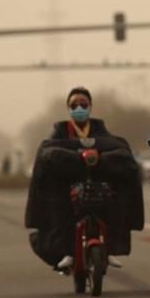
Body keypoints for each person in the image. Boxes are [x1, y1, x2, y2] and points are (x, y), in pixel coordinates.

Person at [49, 87, 123, 269]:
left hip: (97, 180)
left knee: (115, 203)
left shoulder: (99, 127)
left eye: (83, 104)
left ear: (90, 107)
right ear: (68, 108)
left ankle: (109, 250)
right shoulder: (60, 129)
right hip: (69, 181)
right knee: (61, 207)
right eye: (74, 105)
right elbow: (49, 150)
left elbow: (112, 145)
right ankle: (68, 253)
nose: (79, 108)